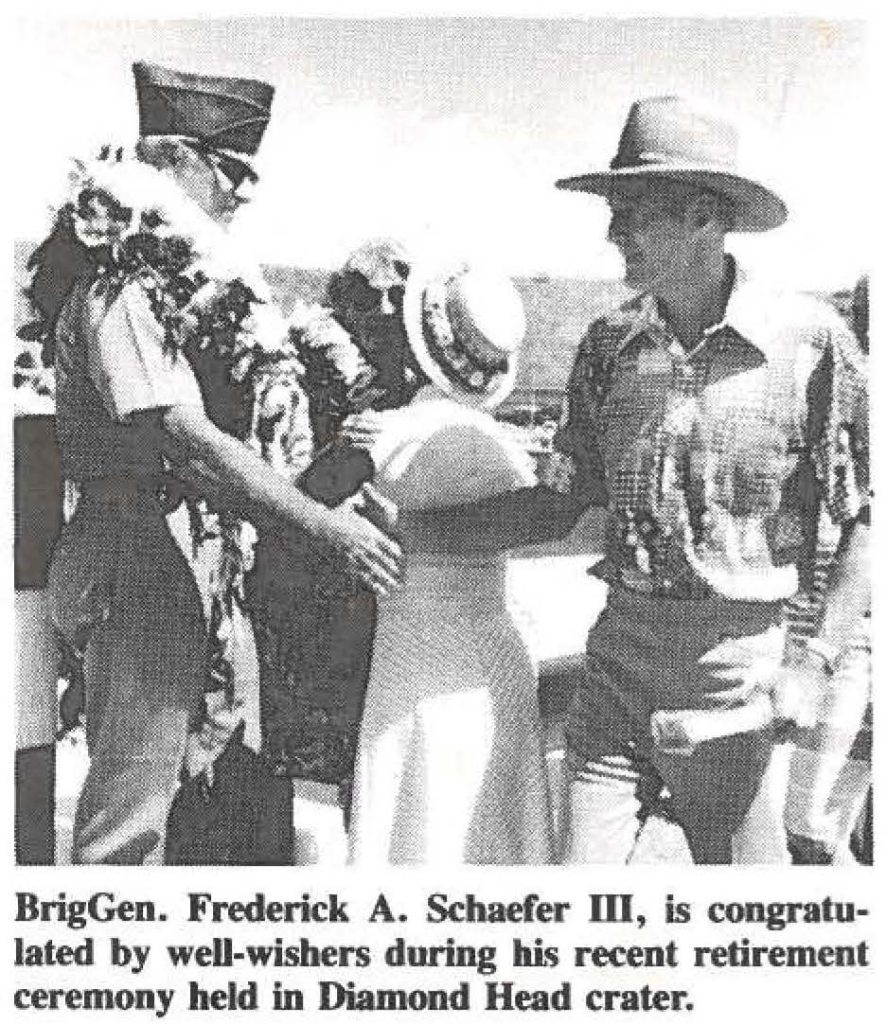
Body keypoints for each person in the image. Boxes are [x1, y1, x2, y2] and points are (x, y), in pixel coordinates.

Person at [397, 95, 869, 864]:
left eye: (638, 214)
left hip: (734, 678)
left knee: (752, 918)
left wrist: (811, 663)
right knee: (586, 895)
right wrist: (403, 534)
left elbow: (862, 520)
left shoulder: (809, 346)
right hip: (615, 663)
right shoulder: (608, 347)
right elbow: (562, 503)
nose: (615, 234)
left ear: (706, 219)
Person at [35, 61, 403, 864]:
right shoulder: (120, 289)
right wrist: (319, 526)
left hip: (195, 555)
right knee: (131, 822)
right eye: (232, 171)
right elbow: (181, 437)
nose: (242, 194)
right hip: (139, 555)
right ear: (172, 164)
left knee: (209, 783)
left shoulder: (180, 289)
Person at [346, 262, 552, 864]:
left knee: (408, 822)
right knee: (491, 828)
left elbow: (304, 506)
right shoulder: (509, 452)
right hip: (494, 651)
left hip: (412, 650)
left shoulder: (382, 436)